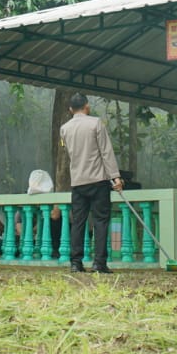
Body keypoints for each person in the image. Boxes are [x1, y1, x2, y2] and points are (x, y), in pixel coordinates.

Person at [59, 93, 124, 273]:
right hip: (98, 180)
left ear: (70, 109)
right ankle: (99, 263)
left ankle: (75, 263)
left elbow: (68, 153)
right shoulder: (96, 123)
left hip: (78, 181)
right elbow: (106, 152)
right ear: (87, 106)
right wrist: (115, 177)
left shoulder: (64, 128)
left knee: (78, 222)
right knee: (100, 221)